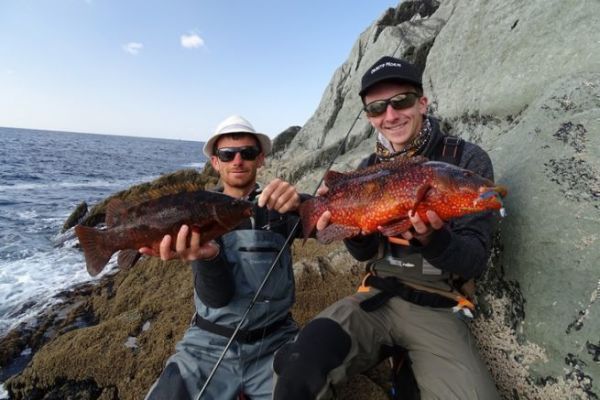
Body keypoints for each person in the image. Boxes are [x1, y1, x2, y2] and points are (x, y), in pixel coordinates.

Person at [272, 56, 501, 399]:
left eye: (402, 101)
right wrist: (349, 226)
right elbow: (364, 250)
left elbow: (473, 261)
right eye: (378, 108)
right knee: (298, 363)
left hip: (438, 306)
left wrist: (432, 237)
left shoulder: (465, 162)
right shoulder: (366, 169)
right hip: (375, 298)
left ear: (422, 102)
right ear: (368, 117)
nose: (390, 115)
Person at [143, 115, 306, 400]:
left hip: (277, 342)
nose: (238, 160)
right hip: (207, 344)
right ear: (215, 163)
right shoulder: (199, 214)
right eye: (227, 154)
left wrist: (302, 202)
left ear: (261, 159)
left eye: (248, 153)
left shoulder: (283, 206)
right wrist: (207, 258)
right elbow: (217, 298)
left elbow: (339, 222)